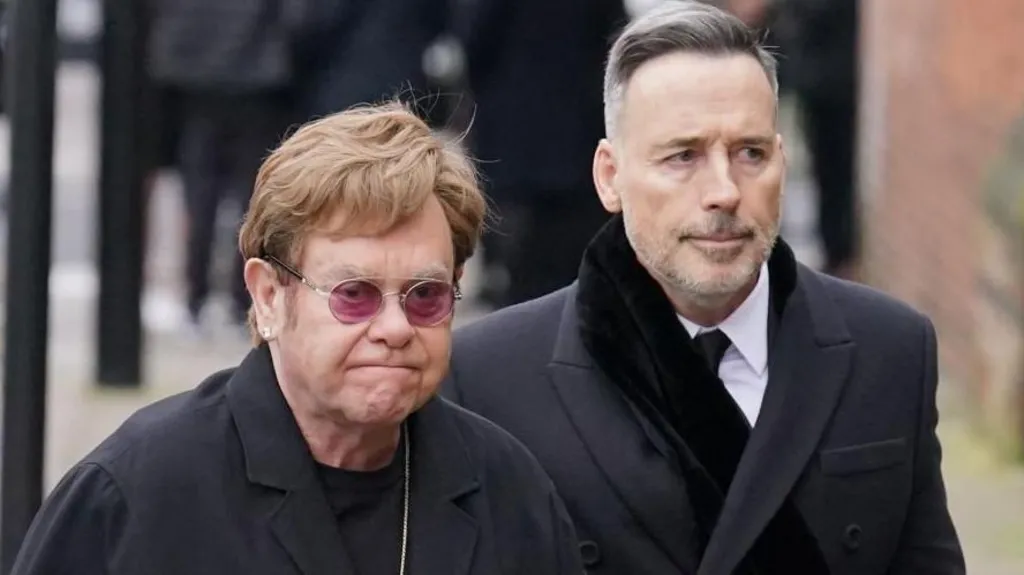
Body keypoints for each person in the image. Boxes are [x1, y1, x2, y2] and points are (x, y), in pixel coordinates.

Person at [443, 2, 965, 574]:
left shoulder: (890, 349)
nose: (724, 191)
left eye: (750, 153)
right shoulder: (490, 378)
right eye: (683, 156)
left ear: (783, 163)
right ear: (610, 177)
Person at [12, 103, 583, 574]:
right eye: (354, 294)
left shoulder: (508, 493)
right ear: (268, 296)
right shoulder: (136, 496)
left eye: (425, 296)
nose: (394, 329)